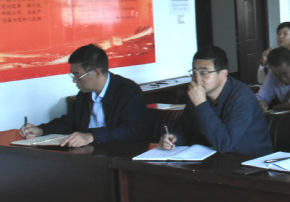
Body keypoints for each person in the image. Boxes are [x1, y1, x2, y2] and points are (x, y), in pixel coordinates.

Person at [19, 44, 147, 147]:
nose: (74, 80)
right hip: (88, 152)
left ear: (97, 72)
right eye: (72, 75)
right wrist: (41, 130)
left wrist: (91, 136)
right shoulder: (84, 94)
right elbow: (69, 122)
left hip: (119, 152)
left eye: (77, 75)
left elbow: (130, 129)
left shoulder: (128, 91)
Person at [160, 46, 273, 155]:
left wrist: (201, 104)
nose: (197, 79)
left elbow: (225, 143)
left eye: (203, 73)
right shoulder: (197, 93)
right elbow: (185, 130)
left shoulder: (242, 97)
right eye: (194, 72)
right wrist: (174, 139)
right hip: (212, 156)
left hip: (248, 160)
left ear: (223, 74)